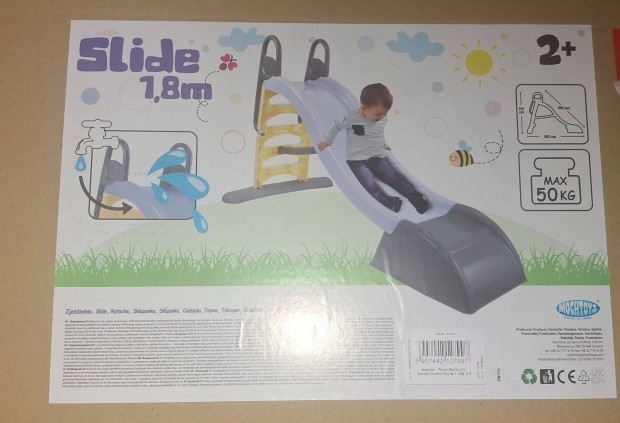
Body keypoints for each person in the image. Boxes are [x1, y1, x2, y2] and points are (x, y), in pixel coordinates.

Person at [317, 83, 430, 214]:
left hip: (377, 157)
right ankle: (390, 202)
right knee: (368, 184)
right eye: (378, 114)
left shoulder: (381, 119)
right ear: (364, 108)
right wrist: (327, 140)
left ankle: (415, 197)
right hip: (357, 161)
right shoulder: (352, 119)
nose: (381, 117)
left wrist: (384, 144)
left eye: (385, 113)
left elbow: (377, 133)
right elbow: (336, 125)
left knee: (393, 176)